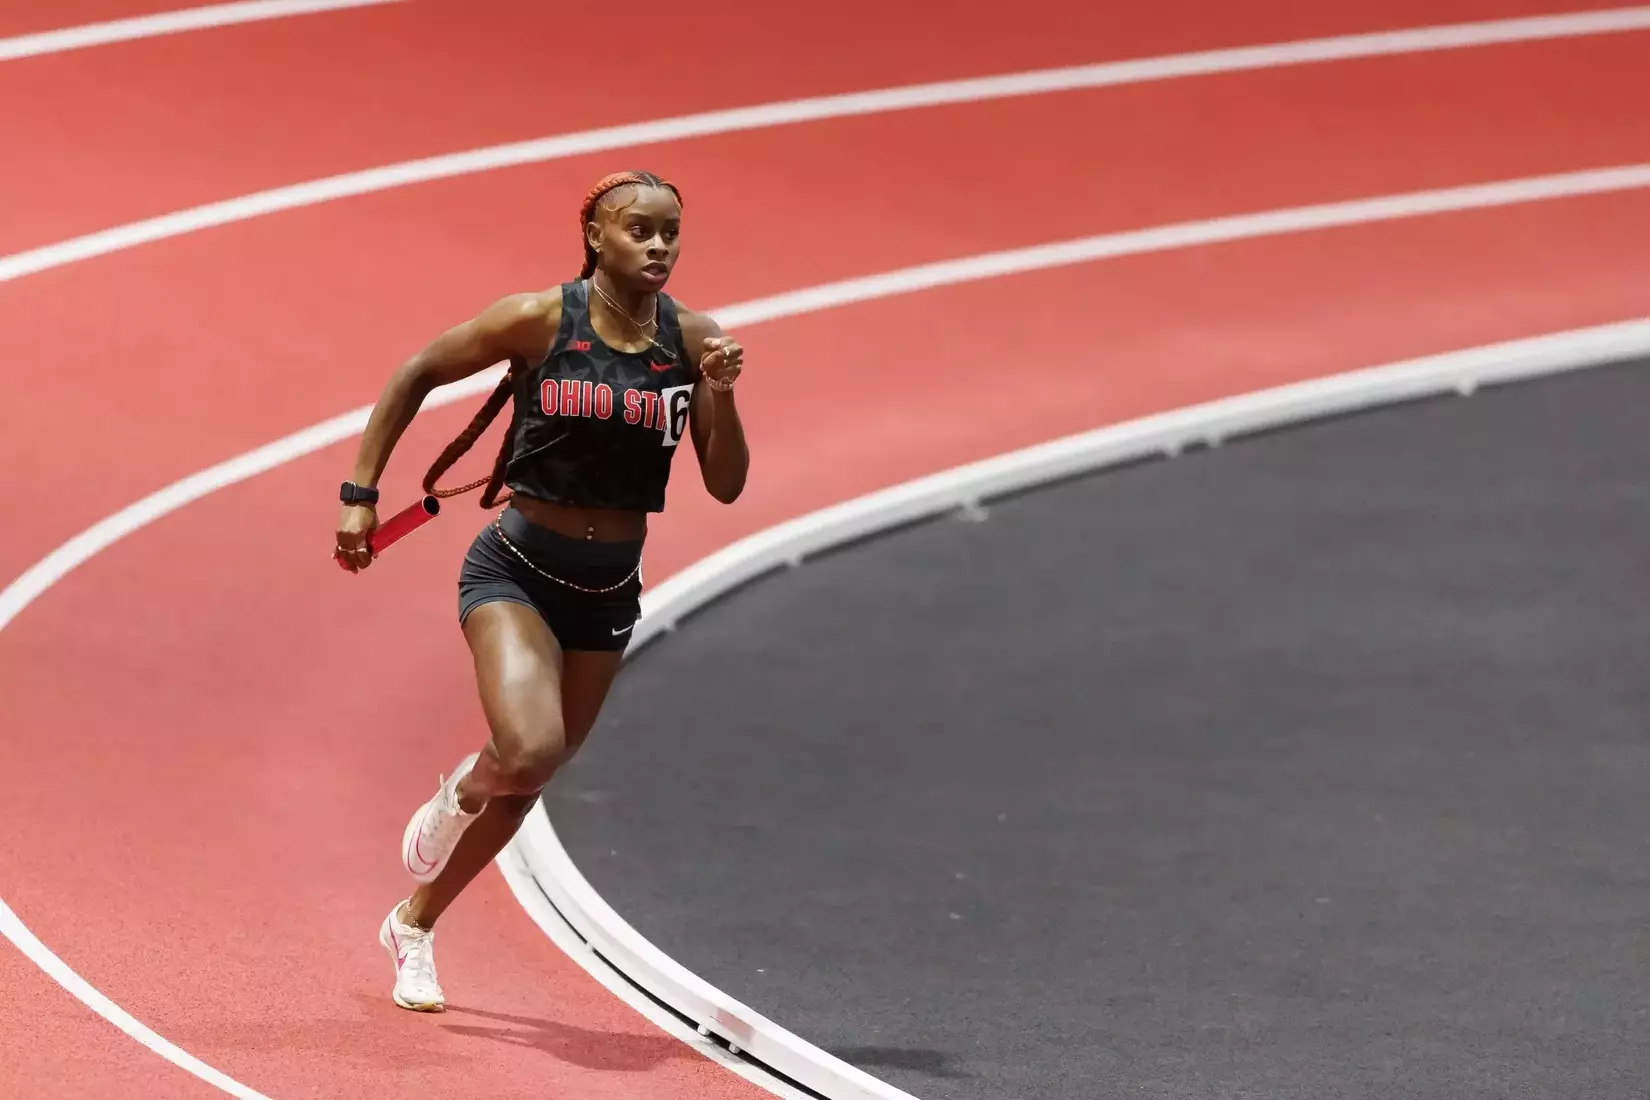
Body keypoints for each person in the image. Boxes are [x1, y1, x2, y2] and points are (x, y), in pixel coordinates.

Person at [332, 170, 748, 1012]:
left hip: (608, 591)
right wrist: (360, 493)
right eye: (640, 230)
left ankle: (414, 924)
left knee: (533, 773)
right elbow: (417, 370)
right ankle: (459, 792)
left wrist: (722, 391)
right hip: (516, 569)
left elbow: (728, 483)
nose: (659, 244)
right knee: (526, 750)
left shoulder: (694, 339)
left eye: (672, 230)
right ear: (597, 235)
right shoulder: (537, 319)